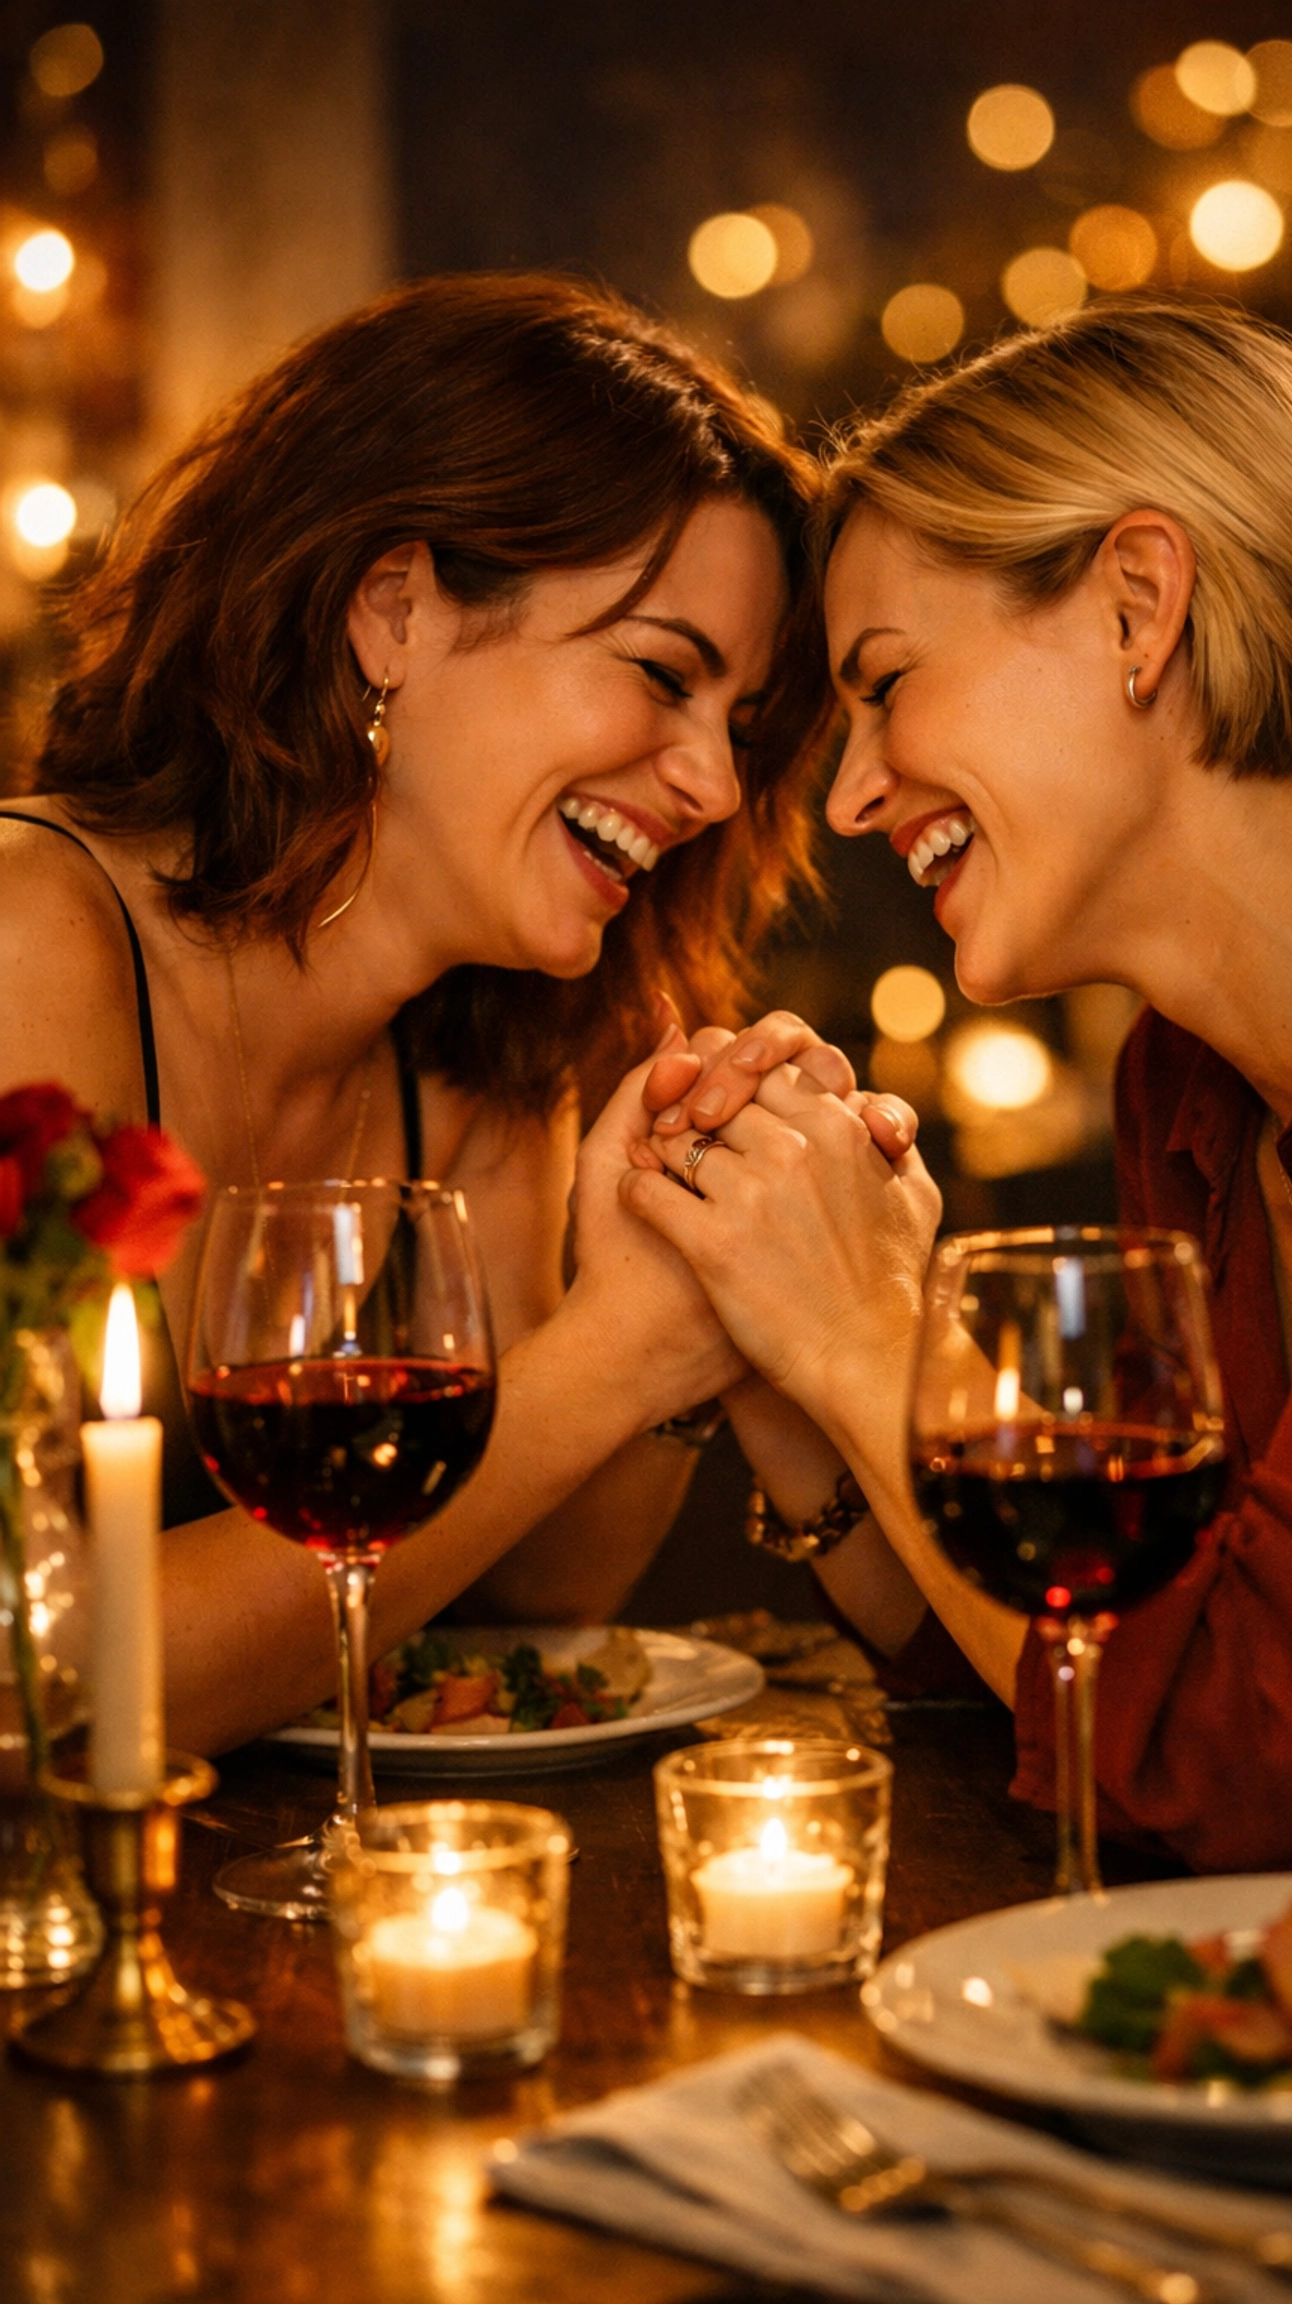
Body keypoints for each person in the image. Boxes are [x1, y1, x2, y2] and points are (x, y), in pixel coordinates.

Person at [627, 299, 1292, 1871]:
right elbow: (1084, 1686)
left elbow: (1256, 1755)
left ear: (1137, 606)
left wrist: (868, 1332)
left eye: (887, 682)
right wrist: (797, 1381)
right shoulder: (1188, 1074)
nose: (851, 798)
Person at [0, 273, 916, 1756]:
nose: (714, 786)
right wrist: (615, 1355)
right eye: (662, 674)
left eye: (742, 727)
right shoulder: (30, 941)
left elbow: (538, 1589)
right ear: (396, 612)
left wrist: (683, 1296)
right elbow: (34, 1678)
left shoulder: (487, 1047)